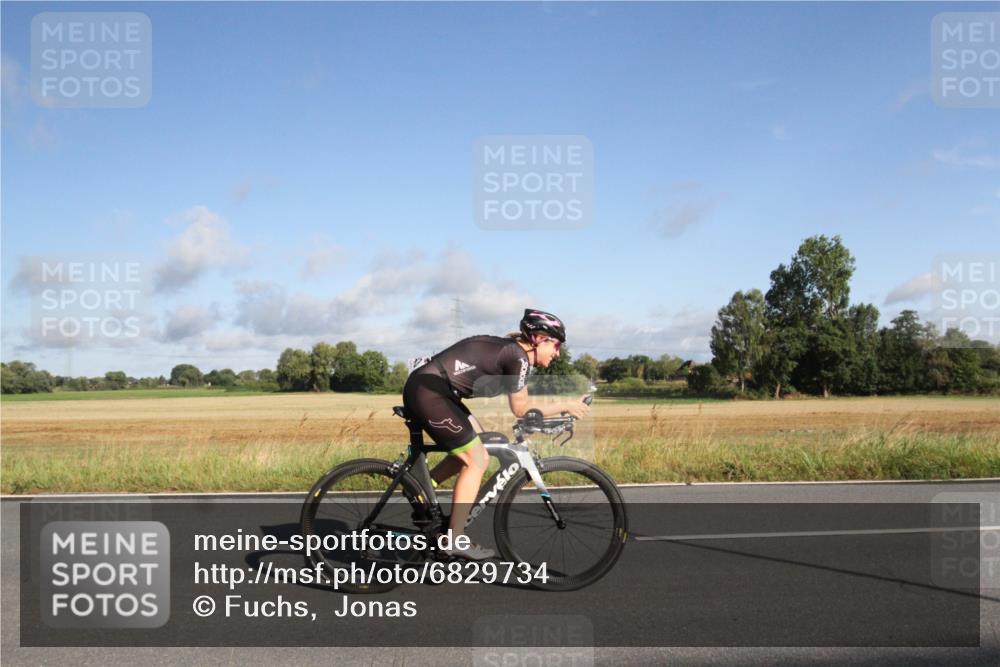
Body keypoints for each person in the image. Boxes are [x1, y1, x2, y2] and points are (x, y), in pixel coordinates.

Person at [402, 309, 590, 560]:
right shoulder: (518, 356)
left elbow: (524, 409)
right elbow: (521, 409)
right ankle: (454, 540)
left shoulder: (514, 354)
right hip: (430, 392)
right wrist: (566, 404)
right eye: (556, 345)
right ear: (538, 339)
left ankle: (421, 489)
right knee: (477, 459)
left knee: (488, 442)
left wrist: (551, 418)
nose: (558, 353)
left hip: (436, 391)